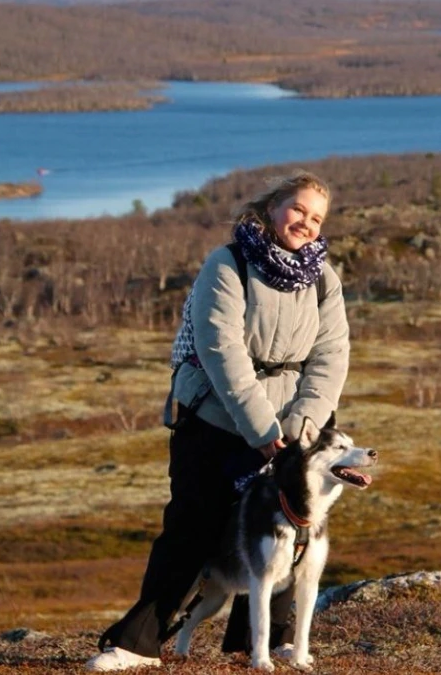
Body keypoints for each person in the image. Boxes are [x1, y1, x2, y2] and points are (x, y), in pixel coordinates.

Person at [86, 171, 349, 672]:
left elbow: (332, 355)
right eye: (297, 209)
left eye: (316, 218)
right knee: (193, 525)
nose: (306, 223)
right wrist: (264, 433)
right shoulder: (227, 264)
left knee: (288, 527)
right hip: (215, 417)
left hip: (297, 424)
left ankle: (267, 643)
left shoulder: (324, 280)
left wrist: (302, 424)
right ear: (272, 208)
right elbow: (222, 351)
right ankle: (137, 645)